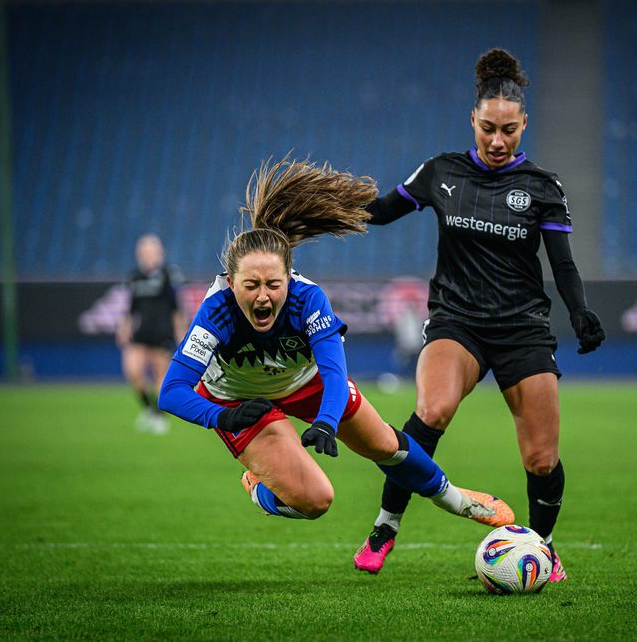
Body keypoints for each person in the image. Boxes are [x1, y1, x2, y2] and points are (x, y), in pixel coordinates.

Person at [352, 48, 606, 582]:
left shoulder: (543, 186)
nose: (497, 140)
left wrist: (580, 311)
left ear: (523, 125)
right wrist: (324, 208)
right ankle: (384, 526)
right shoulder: (441, 171)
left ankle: (543, 548)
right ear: (473, 119)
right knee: (432, 411)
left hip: (522, 328)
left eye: (508, 130)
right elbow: (381, 211)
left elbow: (563, 264)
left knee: (541, 458)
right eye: (488, 128)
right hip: (457, 321)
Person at [157, 157, 515, 534]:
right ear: (231, 283)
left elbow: (334, 373)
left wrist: (327, 423)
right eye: (251, 286)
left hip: (305, 382)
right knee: (316, 500)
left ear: (288, 278)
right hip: (237, 401)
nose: (263, 296)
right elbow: (172, 392)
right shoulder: (216, 310)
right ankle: (259, 487)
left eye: (273, 285)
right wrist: (223, 418)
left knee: (385, 444)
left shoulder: (308, 299)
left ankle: (455, 499)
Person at [116, 233, 186, 434]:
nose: (147, 255)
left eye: (151, 251)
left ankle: (158, 416)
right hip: (141, 332)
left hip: (162, 332)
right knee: (133, 371)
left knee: (160, 376)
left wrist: (181, 333)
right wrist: (124, 327)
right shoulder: (135, 277)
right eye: (144, 251)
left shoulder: (168, 275)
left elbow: (177, 308)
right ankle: (149, 409)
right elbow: (131, 308)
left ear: (160, 253)